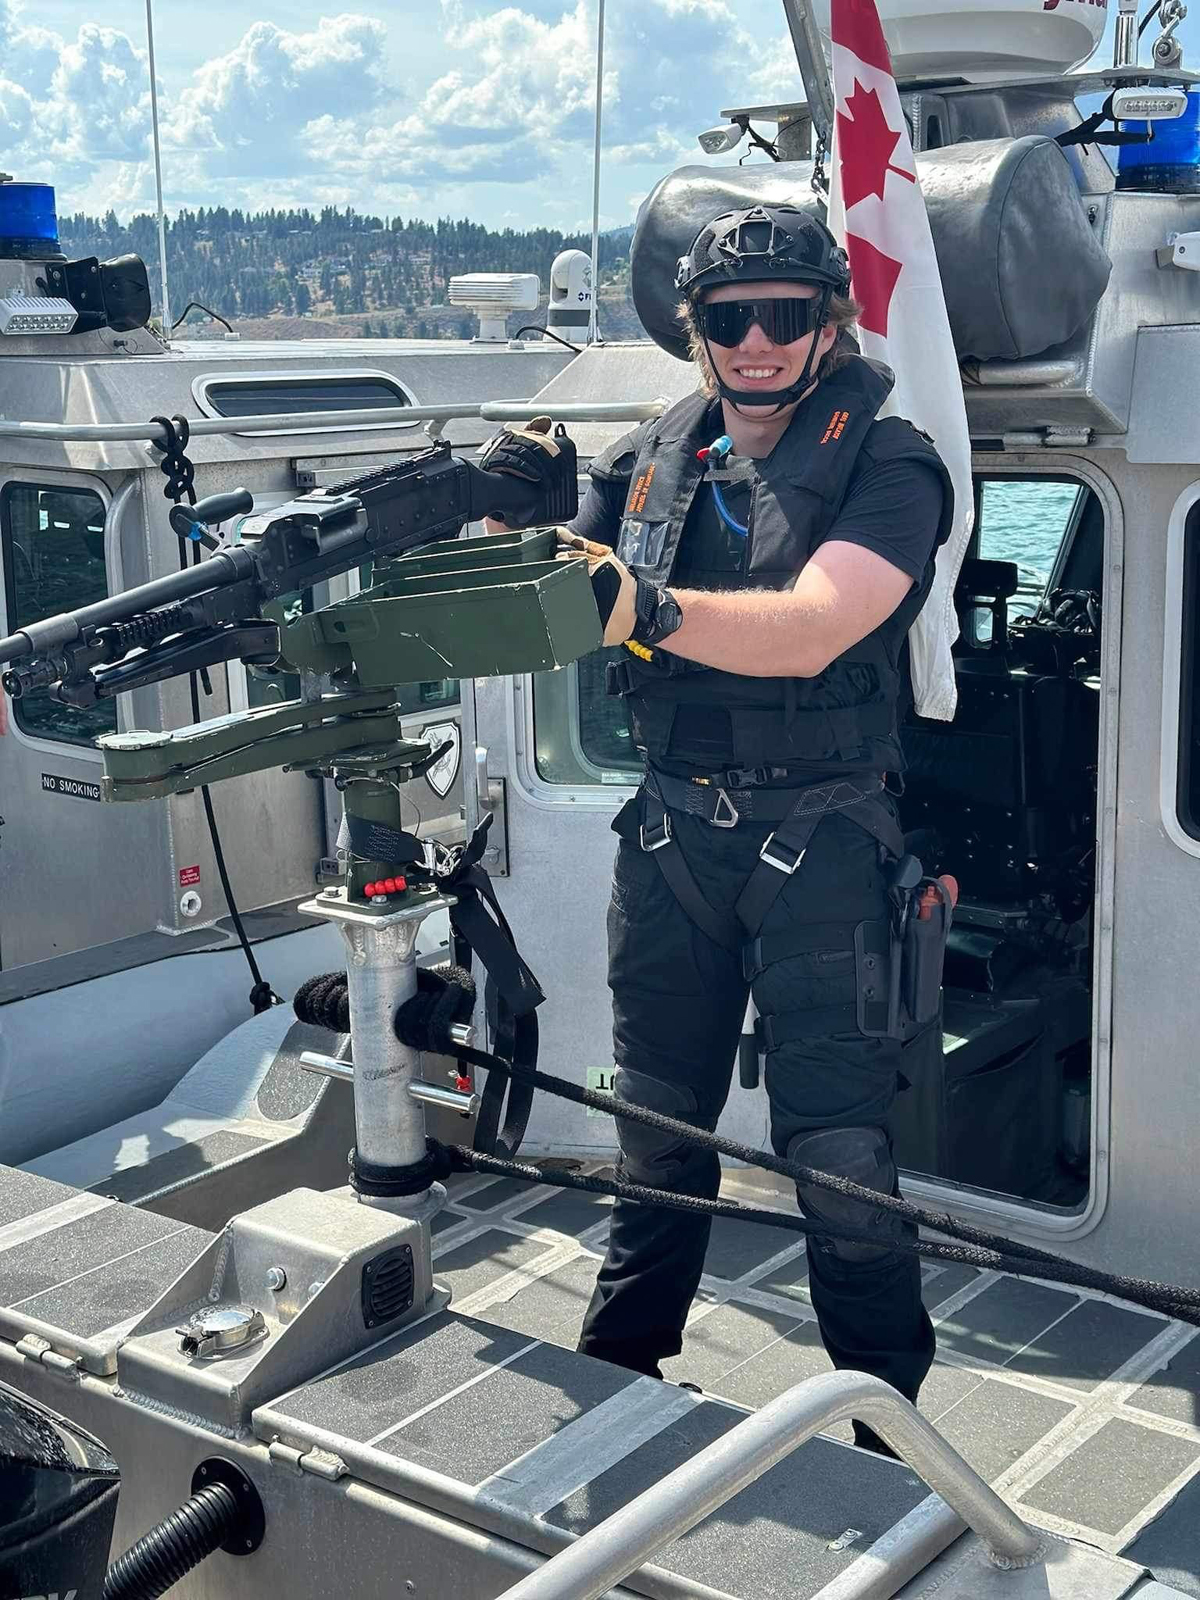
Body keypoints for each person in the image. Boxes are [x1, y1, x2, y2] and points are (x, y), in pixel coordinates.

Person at [484, 203, 954, 1450]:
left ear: (829, 325)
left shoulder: (893, 463)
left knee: (842, 1164)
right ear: (695, 333)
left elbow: (811, 623)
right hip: (673, 844)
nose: (755, 343)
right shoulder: (651, 455)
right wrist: (503, 514)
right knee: (655, 1134)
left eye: (784, 317)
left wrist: (636, 602)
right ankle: (618, 1386)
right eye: (729, 320)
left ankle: (893, 1444)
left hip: (826, 853)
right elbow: (540, 573)